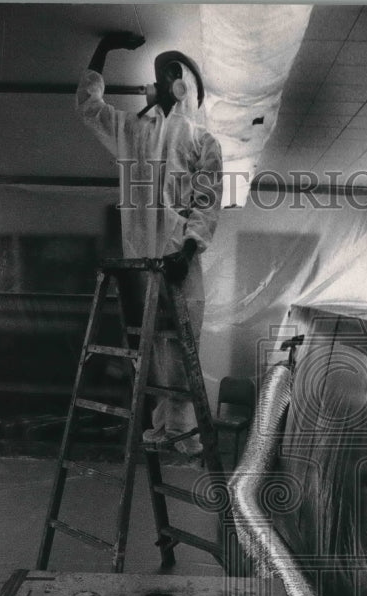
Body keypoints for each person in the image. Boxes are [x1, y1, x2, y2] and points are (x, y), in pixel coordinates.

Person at [76, 31, 223, 454]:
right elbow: (88, 107)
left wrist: (189, 249)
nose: (163, 79)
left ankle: (183, 431)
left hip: (178, 262)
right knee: (151, 346)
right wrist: (102, 47)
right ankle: (164, 426)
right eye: (162, 72)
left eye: (171, 72)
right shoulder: (131, 130)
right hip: (142, 262)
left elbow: (207, 201)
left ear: (181, 86)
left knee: (180, 344)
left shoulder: (199, 140)